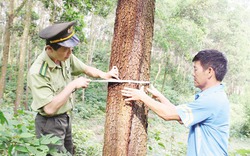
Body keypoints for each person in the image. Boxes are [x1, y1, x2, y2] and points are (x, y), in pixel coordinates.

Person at [27, 21, 119, 155]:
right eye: (66, 49)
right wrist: (72, 85)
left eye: (71, 49)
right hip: (49, 124)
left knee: (69, 152)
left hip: (65, 118)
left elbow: (85, 69)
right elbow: (49, 108)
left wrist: (104, 75)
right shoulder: (38, 72)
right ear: (49, 49)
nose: (70, 53)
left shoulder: (65, 56)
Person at [121, 49, 229, 156]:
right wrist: (160, 97)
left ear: (209, 71)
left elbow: (168, 114)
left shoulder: (212, 100)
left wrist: (142, 96)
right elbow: (180, 115)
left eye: (195, 69)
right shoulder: (214, 96)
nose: (193, 74)